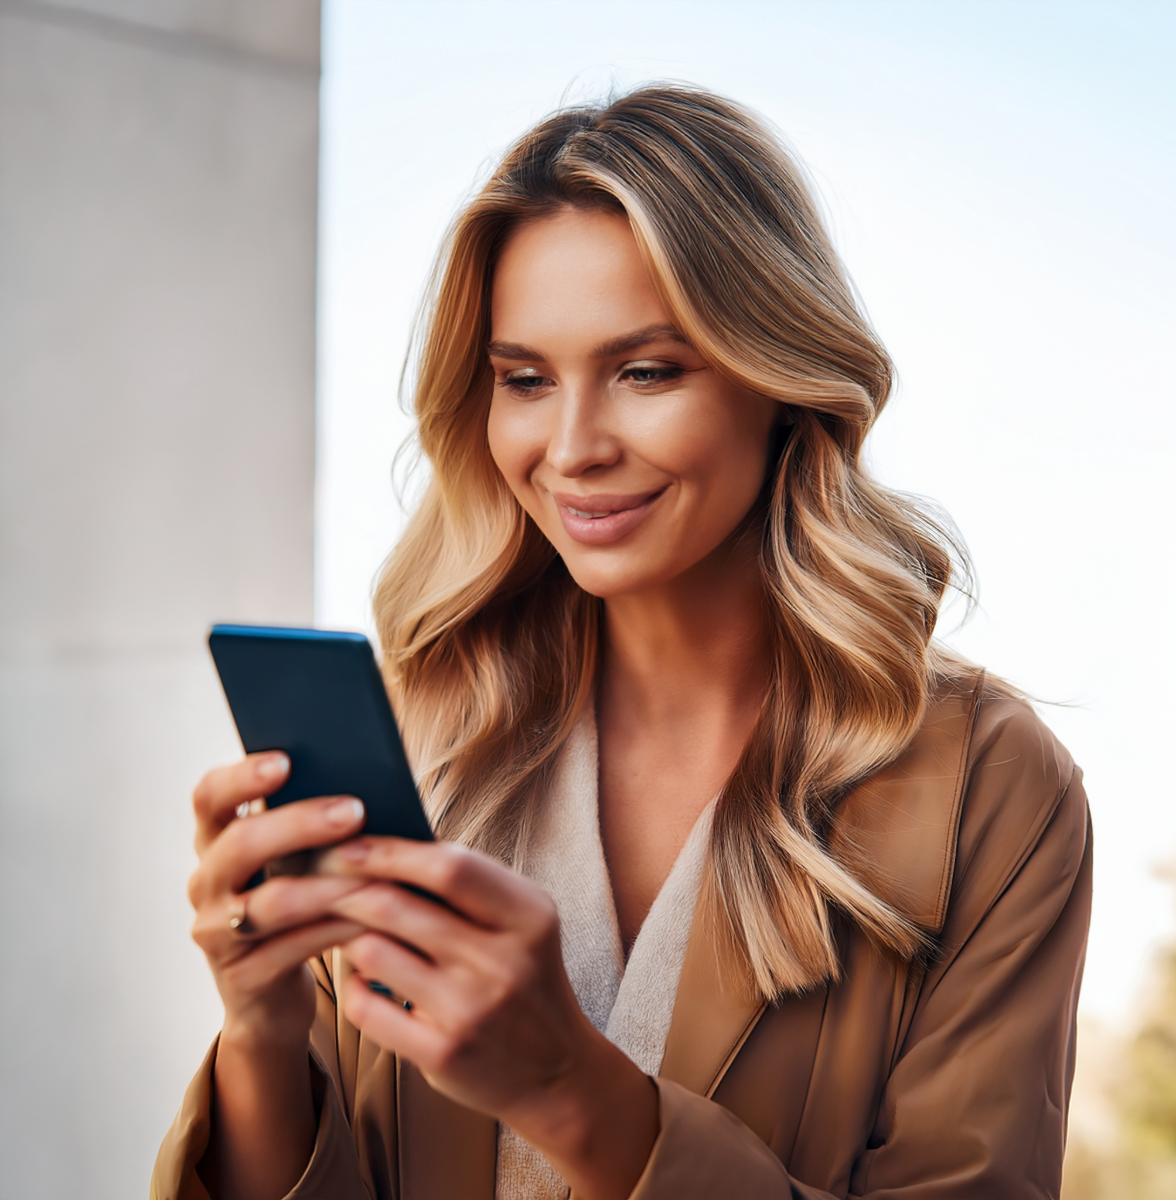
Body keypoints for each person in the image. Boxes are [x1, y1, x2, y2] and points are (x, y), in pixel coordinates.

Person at [152, 86, 1091, 1200]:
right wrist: (258, 1032)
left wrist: (572, 1094)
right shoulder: (428, 735)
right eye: (525, 382)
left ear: (777, 380)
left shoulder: (984, 785)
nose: (572, 447)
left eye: (646, 371)